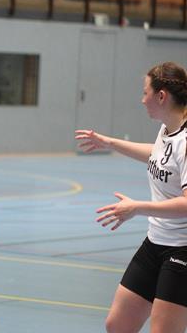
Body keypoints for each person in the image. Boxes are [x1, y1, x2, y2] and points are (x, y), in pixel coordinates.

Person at [75, 61, 187, 333]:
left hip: (182, 249)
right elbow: (158, 155)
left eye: (145, 92)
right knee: (118, 325)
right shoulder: (167, 128)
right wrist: (110, 143)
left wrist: (137, 208)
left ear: (162, 96)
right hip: (155, 242)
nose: (142, 99)